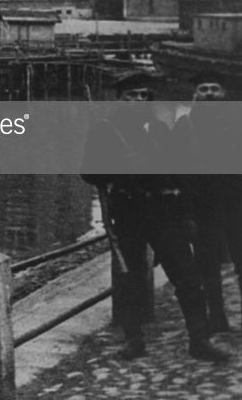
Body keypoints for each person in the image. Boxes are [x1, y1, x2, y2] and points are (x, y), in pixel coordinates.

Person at [80, 74, 230, 362]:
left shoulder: (160, 129)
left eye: (142, 96)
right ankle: (134, 340)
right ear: (119, 100)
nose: (138, 101)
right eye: (131, 96)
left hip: (165, 214)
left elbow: (180, 174)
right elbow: (88, 172)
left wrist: (187, 216)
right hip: (129, 214)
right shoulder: (105, 131)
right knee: (131, 280)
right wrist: (119, 166)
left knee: (188, 278)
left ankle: (199, 341)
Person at [174, 71, 242, 344]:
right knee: (207, 263)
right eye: (203, 89)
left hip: (239, 203)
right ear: (195, 94)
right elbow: (174, 168)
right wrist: (182, 208)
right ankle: (217, 318)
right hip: (202, 205)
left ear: (224, 93)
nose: (209, 94)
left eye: (214, 89)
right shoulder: (185, 126)